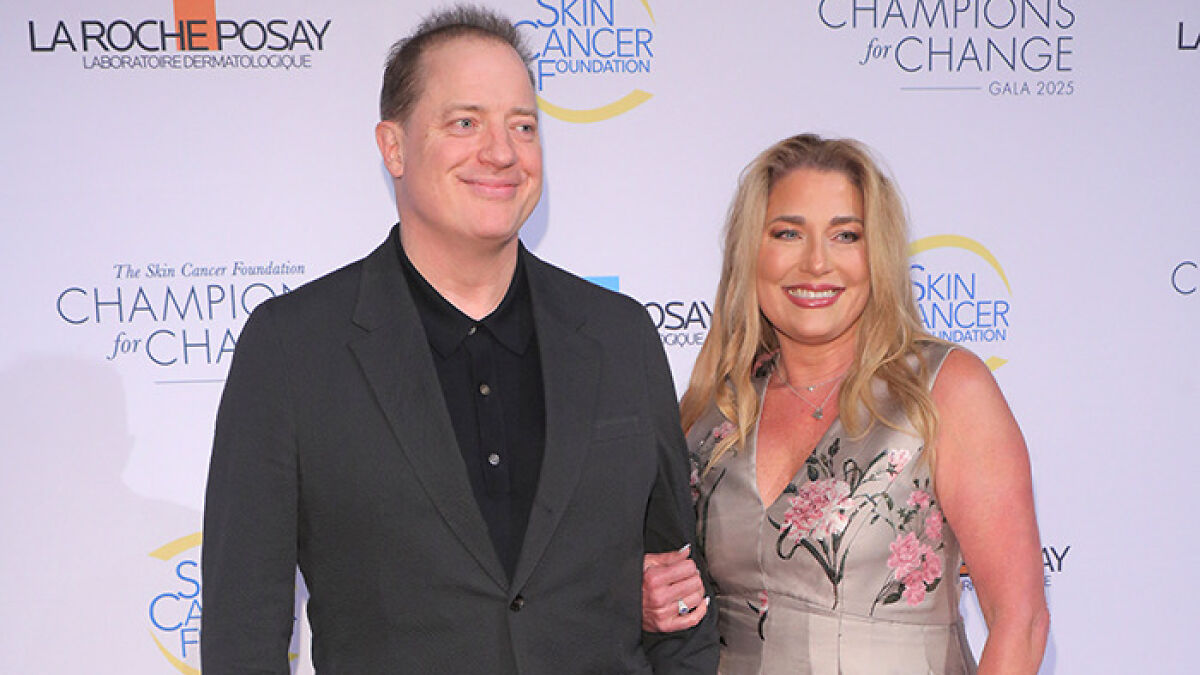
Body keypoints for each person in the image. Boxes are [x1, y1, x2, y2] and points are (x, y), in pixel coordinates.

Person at [200, 6, 717, 673]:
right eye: (465, 122)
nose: (501, 152)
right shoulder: (293, 348)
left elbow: (680, 593)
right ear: (393, 147)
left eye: (522, 125)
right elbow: (243, 627)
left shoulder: (618, 335)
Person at [642, 134, 1048, 673]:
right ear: (750, 252)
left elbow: (1020, 621)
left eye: (845, 235)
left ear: (877, 254)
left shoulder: (944, 389)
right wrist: (649, 602)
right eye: (788, 233)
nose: (816, 263)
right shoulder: (713, 412)